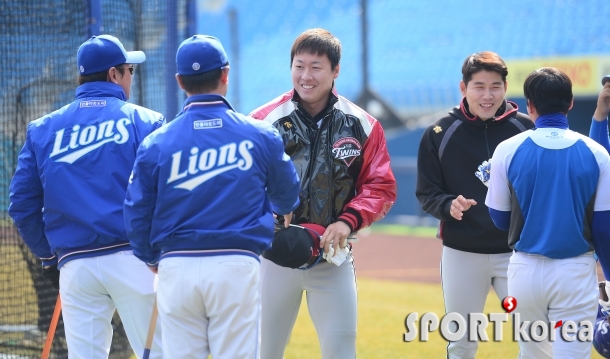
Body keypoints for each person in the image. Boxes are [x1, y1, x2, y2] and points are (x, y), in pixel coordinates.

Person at [123, 34, 301, 359]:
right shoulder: (260, 134)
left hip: (175, 265)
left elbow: (136, 211)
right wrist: (283, 208)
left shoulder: (156, 142)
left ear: (179, 81)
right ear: (225, 74)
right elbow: (288, 189)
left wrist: (150, 256)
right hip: (236, 263)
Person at [8, 35, 163, 358]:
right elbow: (167, 195)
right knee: (163, 353)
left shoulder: (43, 129)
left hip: (76, 266)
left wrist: (49, 257)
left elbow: (21, 205)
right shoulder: (146, 121)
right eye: (130, 69)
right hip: (136, 260)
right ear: (113, 74)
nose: (131, 77)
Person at [249, 28, 397, 359]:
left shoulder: (363, 124)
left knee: (341, 350)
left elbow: (381, 185)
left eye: (316, 67)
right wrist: (270, 210)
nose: (306, 75)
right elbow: (243, 184)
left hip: (333, 256)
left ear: (335, 71)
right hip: (272, 257)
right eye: (299, 65)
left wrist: (348, 222)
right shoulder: (261, 122)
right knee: (262, 351)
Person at [415, 51, 533, 358]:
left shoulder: (526, 130)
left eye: (495, 86)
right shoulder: (438, 133)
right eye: (478, 86)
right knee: (462, 343)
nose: (487, 95)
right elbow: (427, 192)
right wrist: (448, 205)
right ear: (463, 88)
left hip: (516, 255)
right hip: (462, 254)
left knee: (533, 335)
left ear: (506, 88)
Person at [486, 67, 610, 358]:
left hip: (523, 271)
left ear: (529, 105)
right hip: (574, 271)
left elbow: (500, 219)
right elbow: (604, 227)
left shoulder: (507, 149)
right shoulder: (597, 153)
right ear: (570, 103)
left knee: (531, 353)